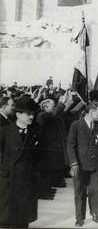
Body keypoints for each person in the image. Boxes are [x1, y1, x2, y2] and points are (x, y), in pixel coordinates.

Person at [0, 97, 40, 228]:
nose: (31, 117)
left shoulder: (35, 133)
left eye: (33, 114)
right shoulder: (4, 132)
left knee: (22, 222)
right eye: (28, 114)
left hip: (26, 184)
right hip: (7, 183)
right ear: (18, 114)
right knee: (5, 220)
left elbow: (38, 158)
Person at [67, 101, 98, 227]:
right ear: (91, 111)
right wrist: (73, 163)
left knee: (96, 189)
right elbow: (70, 146)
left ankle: (94, 212)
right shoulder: (76, 125)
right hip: (80, 164)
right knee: (79, 192)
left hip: (95, 163)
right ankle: (79, 217)